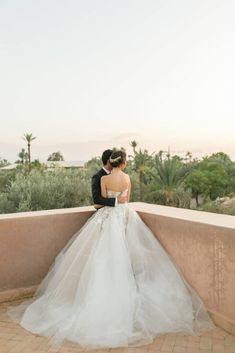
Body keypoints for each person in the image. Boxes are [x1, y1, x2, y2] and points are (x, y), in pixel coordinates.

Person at [7, 149, 215, 350]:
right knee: (122, 259)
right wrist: (119, 203)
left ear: (111, 162)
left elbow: (101, 202)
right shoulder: (127, 179)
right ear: (122, 163)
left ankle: (100, 302)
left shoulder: (104, 180)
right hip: (124, 218)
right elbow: (127, 201)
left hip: (106, 220)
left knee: (102, 260)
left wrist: (112, 205)